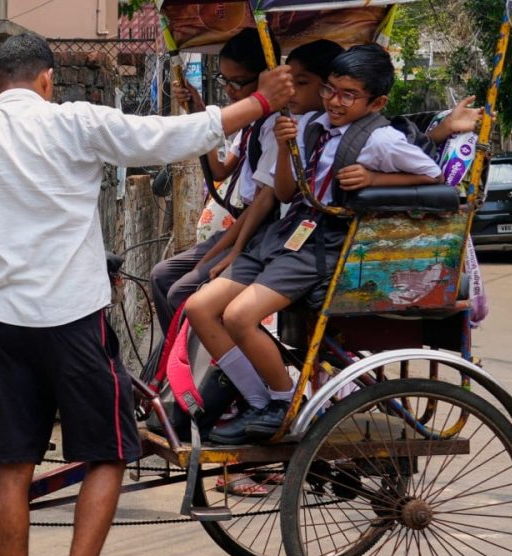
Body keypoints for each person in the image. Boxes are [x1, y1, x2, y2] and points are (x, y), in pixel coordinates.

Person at [0, 33, 293, 556]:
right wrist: (261, 102)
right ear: (47, 81)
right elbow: (170, 137)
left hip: (5, 323)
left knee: (12, 470)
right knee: (108, 454)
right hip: (73, 319)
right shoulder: (75, 121)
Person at [186, 43, 442, 446]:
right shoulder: (311, 126)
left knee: (238, 317)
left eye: (347, 95)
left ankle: (283, 401)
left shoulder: (381, 139)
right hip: (288, 232)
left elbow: (433, 176)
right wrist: (288, 149)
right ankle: (259, 402)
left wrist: (376, 181)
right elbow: (287, 191)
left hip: (322, 243)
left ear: (376, 102)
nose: (334, 102)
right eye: (330, 90)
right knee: (199, 307)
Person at [150, 29, 281, 333]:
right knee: (160, 275)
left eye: (238, 82)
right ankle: (173, 365)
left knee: (182, 290)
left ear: (265, 77)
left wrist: (229, 251)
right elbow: (221, 170)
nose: (231, 91)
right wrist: (198, 113)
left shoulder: (277, 125)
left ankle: (208, 366)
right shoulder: (251, 121)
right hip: (239, 227)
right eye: (225, 81)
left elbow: (263, 201)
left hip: (257, 232)